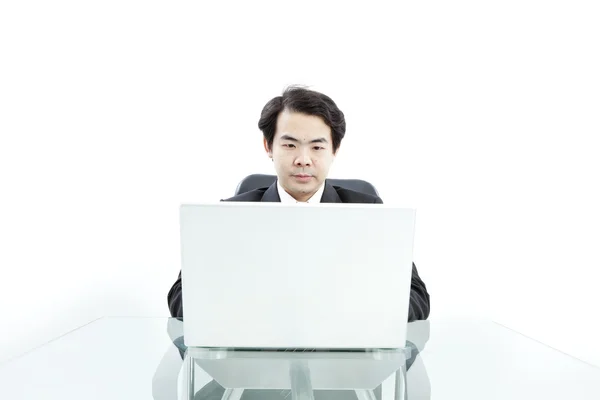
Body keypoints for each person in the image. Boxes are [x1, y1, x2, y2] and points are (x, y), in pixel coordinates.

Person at [168, 86, 430, 322]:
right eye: (290, 145)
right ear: (268, 146)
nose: (303, 159)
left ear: (334, 150)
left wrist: (345, 309)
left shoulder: (369, 213)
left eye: (317, 148)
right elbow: (180, 298)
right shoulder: (230, 215)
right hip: (254, 362)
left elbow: (416, 298)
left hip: (344, 362)